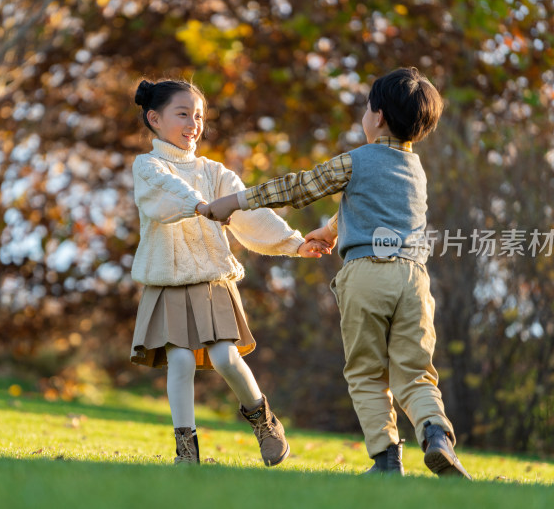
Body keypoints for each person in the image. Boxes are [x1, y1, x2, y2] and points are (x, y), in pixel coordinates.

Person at [202, 67, 472, 478]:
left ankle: (386, 460)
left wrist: (234, 202)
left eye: (367, 108)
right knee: (415, 372)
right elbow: (377, 208)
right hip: (414, 278)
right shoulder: (415, 170)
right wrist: (329, 231)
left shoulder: (357, 160)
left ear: (377, 116)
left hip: (366, 275)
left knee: (366, 371)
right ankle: (436, 435)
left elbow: (299, 187)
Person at [130, 78, 327, 466]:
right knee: (182, 361)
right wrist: (199, 205)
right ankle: (186, 450)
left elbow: (249, 213)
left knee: (224, 357)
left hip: (211, 279)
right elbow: (164, 193)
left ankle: (264, 422)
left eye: (199, 115)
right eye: (183, 114)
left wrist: (294, 243)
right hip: (167, 280)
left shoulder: (214, 171)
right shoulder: (147, 166)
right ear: (154, 118)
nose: (194, 123)